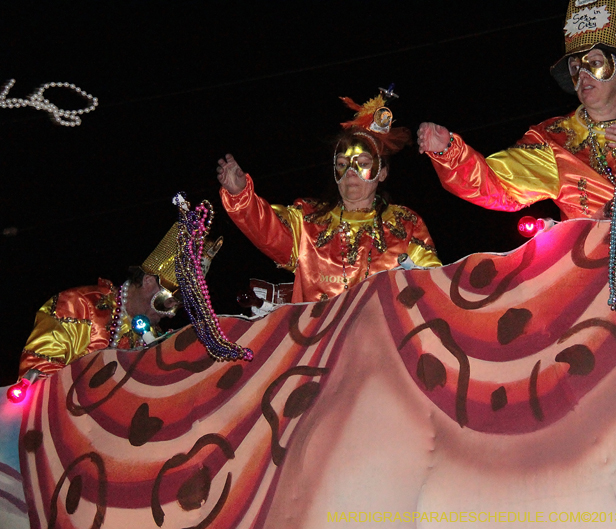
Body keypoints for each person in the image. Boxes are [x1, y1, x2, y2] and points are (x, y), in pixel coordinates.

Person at [417, 0, 616, 220]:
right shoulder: (553, 139)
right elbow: (496, 187)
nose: (584, 75)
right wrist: (449, 152)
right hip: (595, 273)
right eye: (576, 67)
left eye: (595, 63)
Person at [218, 89, 441, 303]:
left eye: (362, 163)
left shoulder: (405, 223)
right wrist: (239, 194)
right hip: (319, 338)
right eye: (343, 164)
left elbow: (435, 284)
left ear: (382, 172)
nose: (351, 172)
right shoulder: (308, 221)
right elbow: (267, 229)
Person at [16, 223, 208, 379]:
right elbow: (36, 372)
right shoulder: (78, 305)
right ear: (149, 282)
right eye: (169, 301)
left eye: (177, 306)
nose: (171, 313)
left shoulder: (155, 340)